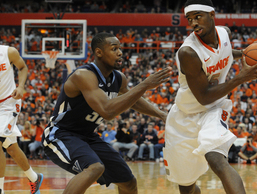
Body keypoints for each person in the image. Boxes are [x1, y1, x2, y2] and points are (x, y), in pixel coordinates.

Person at [163, 0, 257, 194]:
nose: (193, 23)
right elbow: (203, 95)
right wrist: (241, 78)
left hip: (213, 109)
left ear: (212, 14)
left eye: (198, 16)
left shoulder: (224, 33)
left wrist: (247, 55)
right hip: (184, 117)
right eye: (190, 19)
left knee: (216, 158)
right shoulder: (188, 52)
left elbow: (226, 52)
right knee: (186, 185)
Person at [41, 32, 171, 194]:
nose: (120, 52)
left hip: (87, 136)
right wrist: (144, 85)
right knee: (94, 168)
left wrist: (162, 115)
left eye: (120, 48)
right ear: (99, 52)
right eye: (114, 48)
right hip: (61, 134)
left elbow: (134, 100)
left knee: (128, 181)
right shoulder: (84, 75)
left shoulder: (118, 78)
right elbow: (107, 111)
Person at [0, 45, 43, 194]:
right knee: (11, 147)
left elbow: (23, 67)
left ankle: (0, 189)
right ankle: (34, 178)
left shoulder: (8, 52)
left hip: (8, 103)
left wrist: (21, 86)